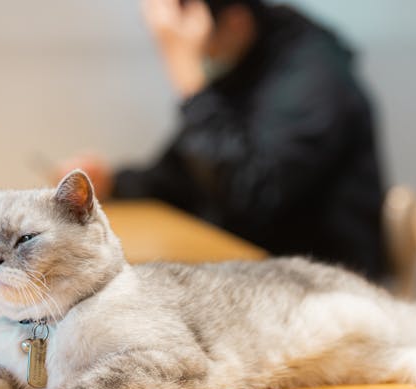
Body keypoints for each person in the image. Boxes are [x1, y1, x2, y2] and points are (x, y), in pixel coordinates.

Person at [64, 0, 387, 280]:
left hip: (323, 285)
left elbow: (250, 193)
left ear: (235, 21)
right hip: (254, 272)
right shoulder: (247, 60)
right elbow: (184, 176)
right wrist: (112, 182)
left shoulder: (312, 72)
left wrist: (185, 71)